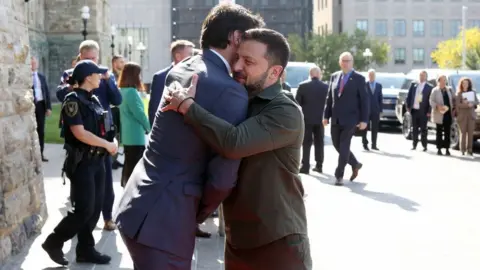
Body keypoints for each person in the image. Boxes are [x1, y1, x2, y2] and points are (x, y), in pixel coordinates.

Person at [113, 4, 265, 269]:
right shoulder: (228, 90)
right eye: (250, 39)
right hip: (166, 220)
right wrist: (198, 211)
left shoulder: (183, 66)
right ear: (236, 38)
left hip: (139, 202)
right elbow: (222, 177)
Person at [162, 28, 311, 270]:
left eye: (248, 61)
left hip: (277, 241)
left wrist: (187, 106)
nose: (237, 66)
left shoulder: (285, 111)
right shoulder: (241, 99)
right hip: (239, 239)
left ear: (275, 72)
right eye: (237, 58)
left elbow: (234, 143)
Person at [42, 60, 118, 266]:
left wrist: (112, 142)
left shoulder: (93, 100)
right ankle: (54, 241)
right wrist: (108, 145)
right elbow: (80, 133)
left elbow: (103, 128)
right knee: (84, 209)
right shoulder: (72, 100)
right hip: (82, 163)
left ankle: (85, 249)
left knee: (94, 209)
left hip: (98, 161)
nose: (101, 77)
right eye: (97, 74)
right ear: (87, 77)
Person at [57, 40, 122, 231]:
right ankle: (80, 217)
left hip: (101, 132)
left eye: (96, 58)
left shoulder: (102, 74)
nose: (94, 62)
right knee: (81, 179)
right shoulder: (72, 76)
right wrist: (74, 85)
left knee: (105, 178)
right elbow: (60, 94)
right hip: (81, 133)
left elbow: (117, 100)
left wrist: (108, 80)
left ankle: (107, 216)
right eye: (89, 59)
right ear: (81, 57)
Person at [323, 52, 368, 186]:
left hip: (351, 119)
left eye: (347, 61)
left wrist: (364, 120)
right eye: (343, 61)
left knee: (344, 146)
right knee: (337, 144)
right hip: (336, 118)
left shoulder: (359, 78)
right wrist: (326, 115)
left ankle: (339, 175)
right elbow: (329, 98)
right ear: (339, 62)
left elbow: (364, 101)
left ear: (352, 62)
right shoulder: (334, 76)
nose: (345, 63)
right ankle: (354, 163)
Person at [118, 62, 151, 187]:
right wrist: (149, 127)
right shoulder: (132, 92)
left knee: (129, 162)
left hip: (127, 133)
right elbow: (139, 114)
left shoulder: (122, 91)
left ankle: (126, 185)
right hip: (135, 134)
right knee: (135, 164)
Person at [148, 40, 195, 126]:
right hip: (166, 129)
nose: (193, 58)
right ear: (178, 56)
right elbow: (154, 107)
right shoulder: (160, 77)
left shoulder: (195, 76)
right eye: (190, 54)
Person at [296, 66, 328, 174]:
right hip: (320, 119)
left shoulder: (303, 86)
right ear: (319, 74)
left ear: (310, 74)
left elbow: (297, 104)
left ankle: (305, 166)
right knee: (319, 142)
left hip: (306, 119)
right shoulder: (325, 87)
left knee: (306, 143)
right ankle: (319, 165)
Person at [31, 56, 52, 162]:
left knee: (41, 131)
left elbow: (46, 92)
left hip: (40, 106)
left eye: (35, 63)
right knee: (30, 130)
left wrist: (48, 107)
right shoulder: (26, 77)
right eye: (32, 63)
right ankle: (31, 155)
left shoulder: (41, 77)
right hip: (30, 106)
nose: (34, 65)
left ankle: (40, 154)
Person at [405, 70, 433, 151]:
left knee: (423, 129)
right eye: (420, 75)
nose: (421, 77)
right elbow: (409, 95)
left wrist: (429, 111)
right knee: (414, 128)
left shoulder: (429, 87)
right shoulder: (414, 84)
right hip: (414, 110)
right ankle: (414, 145)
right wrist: (408, 106)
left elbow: (430, 100)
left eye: (423, 76)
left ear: (426, 77)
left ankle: (424, 145)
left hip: (423, 111)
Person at [430, 75, 454, 156]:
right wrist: (437, 106)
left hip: (447, 114)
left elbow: (453, 99)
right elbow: (431, 100)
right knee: (439, 132)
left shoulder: (449, 90)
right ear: (439, 81)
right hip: (439, 114)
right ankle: (439, 149)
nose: (444, 81)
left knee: (447, 132)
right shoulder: (435, 90)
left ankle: (447, 149)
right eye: (442, 80)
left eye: (445, 80)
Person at [455, 77, 479, 156]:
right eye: (463, 83)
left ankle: (470, 150)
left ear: (469, 84)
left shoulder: (473, 92)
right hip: (462, 116)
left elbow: (477, 101)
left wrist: (472, 103)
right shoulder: (459, 93)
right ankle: (462, 149)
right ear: (461, 84)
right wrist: (466, 105)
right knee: (463, 133)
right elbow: (458, 105)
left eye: (466, 83)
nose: (465, 84)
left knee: (470, 133)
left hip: (471, 116)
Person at [110, 55, 126, 170]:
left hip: (119, 109)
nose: (123, 64)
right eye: (121, 62)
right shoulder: (110, 77)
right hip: (112, 109)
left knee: (118, 134)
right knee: (113, 134)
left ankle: (114, 159)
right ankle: (111, 160)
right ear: (114, 63)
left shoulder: (121, 76)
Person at [362, 69, 383, 151]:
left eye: (373, 75)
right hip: (366, 110)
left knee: (375, 128)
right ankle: (365, 144)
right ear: (368, 76)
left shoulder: (379, 86)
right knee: (365, 128)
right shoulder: (364, 85)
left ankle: (374, 144)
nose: (371, 76)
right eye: (370, 75)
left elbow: (380, 98)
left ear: (375, 76)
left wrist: (381, 110)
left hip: (375, 110)